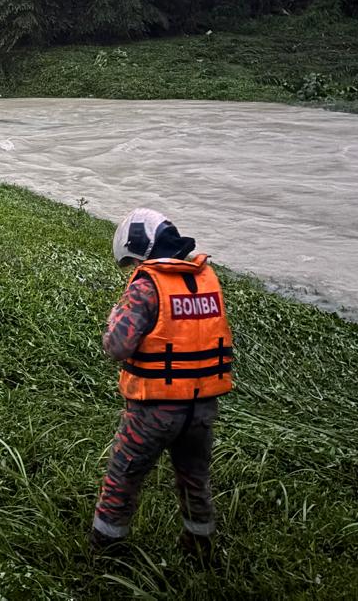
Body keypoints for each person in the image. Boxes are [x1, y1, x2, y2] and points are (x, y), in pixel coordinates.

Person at [90, 208, 234, 562]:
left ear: (138, 247)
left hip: (155, 409)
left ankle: (105, 550)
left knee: (123, 475)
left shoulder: (147, 285)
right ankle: (199, 548)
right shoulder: (206, 277)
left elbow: (116, 345)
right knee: (194, 480)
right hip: (202, 406)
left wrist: (113, 316)